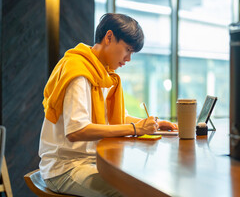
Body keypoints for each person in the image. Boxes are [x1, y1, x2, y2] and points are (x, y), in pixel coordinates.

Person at [39, 13, 177, 197]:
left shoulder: (103, 73)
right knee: (129, 192)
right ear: (109, 37)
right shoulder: (78, 71)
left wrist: (155, 124)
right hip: (66, 167)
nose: (128, 59)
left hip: (95, 161)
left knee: (146, 184)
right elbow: (76, 131)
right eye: (127, 49)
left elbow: (117, 118)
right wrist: (135, 128)